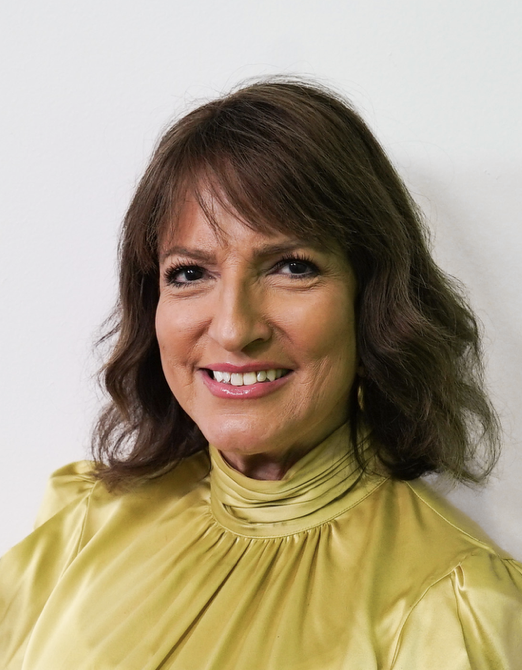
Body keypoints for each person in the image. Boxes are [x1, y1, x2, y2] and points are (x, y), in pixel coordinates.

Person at [1, 78, 521, 670]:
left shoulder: (455, 605)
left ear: (371, 302)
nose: (232, 328)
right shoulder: (86, 520)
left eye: (292, 267)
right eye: (190, 273)